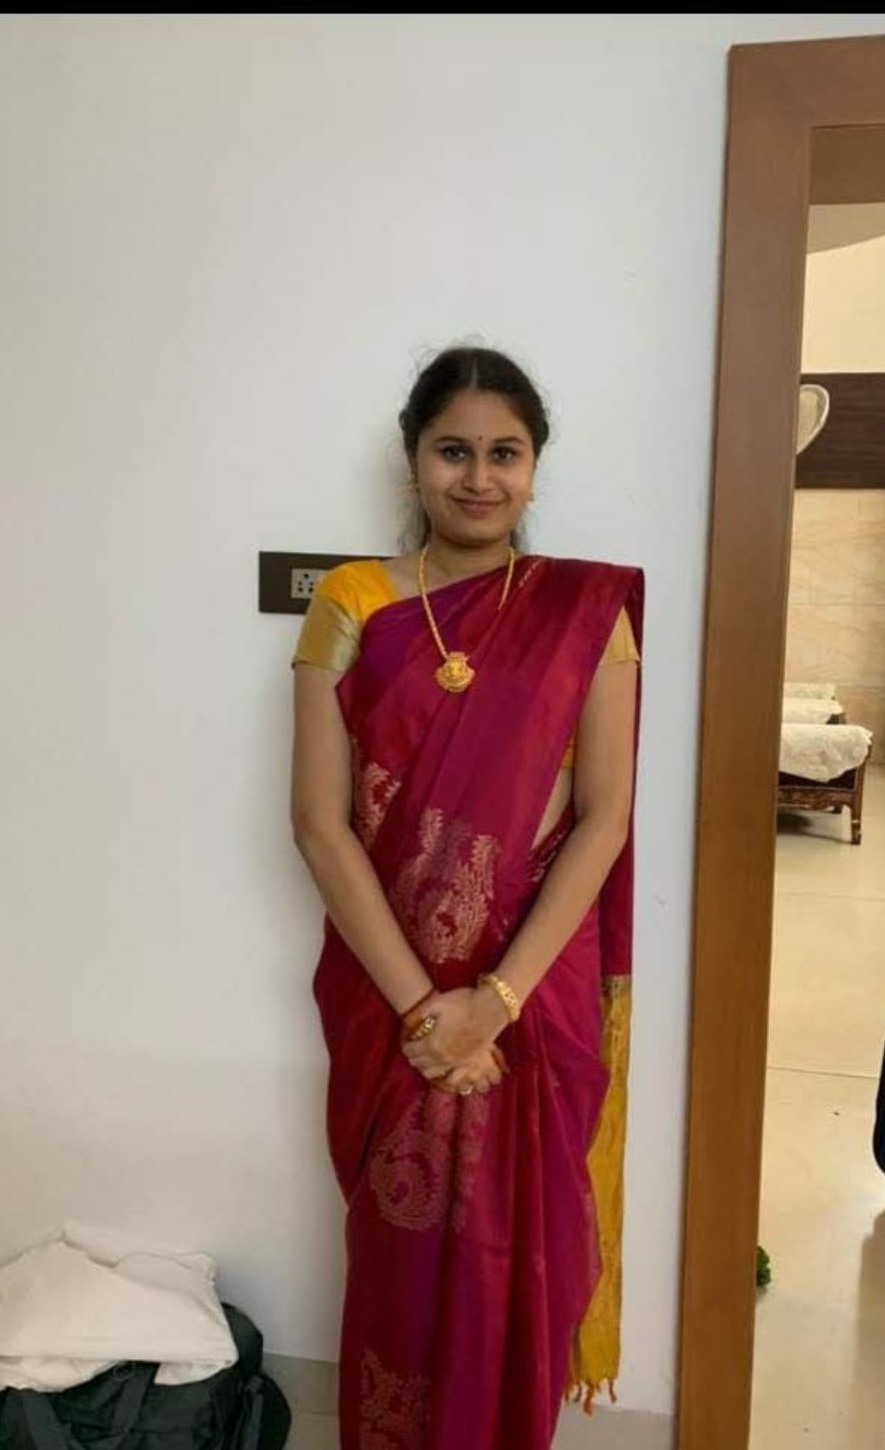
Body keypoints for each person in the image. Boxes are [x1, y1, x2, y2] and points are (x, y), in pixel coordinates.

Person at [290, 346, 642, 1450]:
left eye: (505, 453)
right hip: (387, 994)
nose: (479, 478)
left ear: (535, 467)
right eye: (454, 451)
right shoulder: (351, 601)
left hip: (530, 994)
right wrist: (422, 1012)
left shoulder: (586, 612)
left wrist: (492, 1002)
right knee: (398, 1265)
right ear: (413, 461)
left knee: (512, 1263)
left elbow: (603, 819)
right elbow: (319, 825)